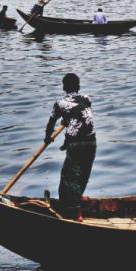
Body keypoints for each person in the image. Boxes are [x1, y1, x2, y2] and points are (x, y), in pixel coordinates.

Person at [44, 73, 96, 221]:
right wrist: (67, 119)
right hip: (92, 141)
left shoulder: (59, 103)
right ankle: (76, 199)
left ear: (64, 87)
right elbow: (80, 114)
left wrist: (48, 138)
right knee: (83, 173)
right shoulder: (87, 98)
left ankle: (77, 212)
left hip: (76, 143)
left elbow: (51, 122)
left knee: (69, 178)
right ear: (78, 86)